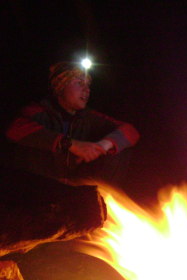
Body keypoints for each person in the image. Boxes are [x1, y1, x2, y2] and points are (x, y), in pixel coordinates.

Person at [5, 61, 140, 186]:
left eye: (88, 85)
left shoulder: (87, 117)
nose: (87, 90)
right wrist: (70, 144)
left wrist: (102, 146)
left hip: (75, 188)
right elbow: (13, 129)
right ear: (60, 87)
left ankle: (103, 198)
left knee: (120, 147)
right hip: (39, 186)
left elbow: (130, 131)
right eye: (80, 83)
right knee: (32, 142)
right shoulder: (38, 112)